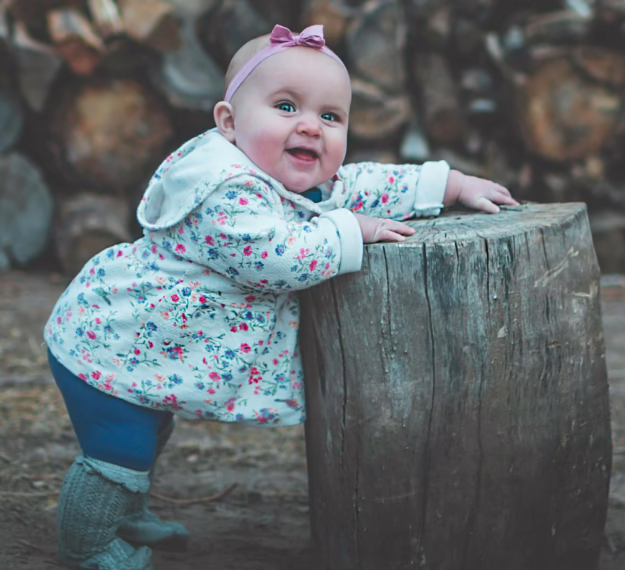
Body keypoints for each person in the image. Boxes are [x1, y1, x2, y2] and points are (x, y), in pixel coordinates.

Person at [43, 23, 518, 569]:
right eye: (287, 106)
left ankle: (123, 514)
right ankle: (87, 543)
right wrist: (348, 231)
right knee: (118, 448)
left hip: (146, 351)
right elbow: (272, 259)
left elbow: (361, 183)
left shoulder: (290, 179)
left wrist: (451, 184)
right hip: (109, 344)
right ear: (229, 122)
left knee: (149, 430)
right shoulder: (222, 189)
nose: (310, 127)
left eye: (330, 116)